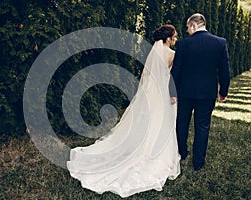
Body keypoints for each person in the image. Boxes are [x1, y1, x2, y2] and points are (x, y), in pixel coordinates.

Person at [67, 25, 180, 198]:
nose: (176, 38)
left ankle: (140, 146)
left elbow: (148, 76)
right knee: (160, 123)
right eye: (175, 36)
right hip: (163, 93)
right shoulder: (172, 54)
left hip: (149, 93)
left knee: (146, 121)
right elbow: (171, 77)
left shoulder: (153, 52)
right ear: (168, 38)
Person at [171, 13, 230, 171]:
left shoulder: (183, 44)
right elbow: (224, 71)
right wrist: (223, 91)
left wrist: (172, 91)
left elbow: (176, 70)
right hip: (207, 93)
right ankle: (198, 163)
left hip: (185, 92)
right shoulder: (220, 43)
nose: (187, 31)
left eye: (188, 28)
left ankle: (182, 153)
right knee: (203, 126)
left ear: (193, 26)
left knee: (182, 123)